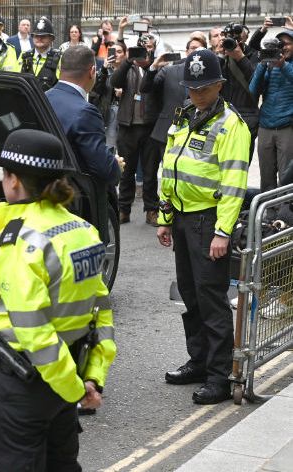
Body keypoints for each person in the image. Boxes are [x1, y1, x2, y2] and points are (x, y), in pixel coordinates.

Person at [0, 128, 116, 471]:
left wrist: (72, 388)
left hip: (26, 381)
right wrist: (90, 378)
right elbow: (102, 310)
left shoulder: (20, 239)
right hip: (69, 369)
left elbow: (32, 329)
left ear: (13, 181)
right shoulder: (81, 230)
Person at [158, 49, 250, 405]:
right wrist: (165, 217)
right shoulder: (184, 116)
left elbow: (233, 185)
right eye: (192, 88)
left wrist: (222, 232)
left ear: (219, 86)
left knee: (211, 299)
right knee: (190, 294)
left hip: (208, 219)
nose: (196, 94)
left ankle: (219, 375)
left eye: (203, 88)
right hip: (181, 216)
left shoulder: (232, 126)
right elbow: (169, 168)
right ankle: (198, 362)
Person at [138, 37, 207, 224]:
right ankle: (153, 209)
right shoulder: (169, 71)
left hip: (193, 131)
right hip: (165, 130)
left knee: (182, 174)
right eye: (192, 48)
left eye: (199, 50)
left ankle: (179, 210)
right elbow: (145, 88)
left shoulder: (208, 78)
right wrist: (153, 67)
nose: (194, 52)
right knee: (156, 173)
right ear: (186, 51)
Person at [46, 45, 121, 185]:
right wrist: (116, 165)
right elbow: (105, 169)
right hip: (73, 194)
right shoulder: (86, 112)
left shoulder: (43, 98)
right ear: (92, 72)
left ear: (60, 69)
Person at [109, 32, 160, 225]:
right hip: (128, 127)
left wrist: (153, 63)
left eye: (148, 48)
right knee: (127, 171)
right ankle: (124, 209)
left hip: (149, 127)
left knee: (150, 172)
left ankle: (151, 210)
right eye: (142, 48)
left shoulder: (156, 68)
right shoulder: (127, 68)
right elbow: (114, 82)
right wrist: (129, 61)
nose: (144, 52)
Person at [249, 29, 293, 193]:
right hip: (265, 126)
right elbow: (252, 91)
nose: (283, 47)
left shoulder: (286, 66)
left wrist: (283, 66)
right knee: (266, 176)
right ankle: (267, 211)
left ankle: (285, 213)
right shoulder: (268, 66)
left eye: (287, 43)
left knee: (286, 176)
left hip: (287, 128)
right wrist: (262, 63)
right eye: (279, 44)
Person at [216, 23, 258, 160]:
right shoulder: (220, 57)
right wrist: (220, 56)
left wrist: (240, 57)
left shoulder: (254, 54)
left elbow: (257, 82)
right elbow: (212, 82)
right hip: (222, 115)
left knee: (241, 161)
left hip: (246, 117)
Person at [89, 41, 125, 152]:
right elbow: (95, 91)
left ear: (125, 54)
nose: (116, 55)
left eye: (119, 52)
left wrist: (124, 93)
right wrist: (104, 69)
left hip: (125, 113)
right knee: (109, 145)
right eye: (114, 52)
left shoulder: (131, 72)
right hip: (108, 113)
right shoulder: (104, 71)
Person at [19, 16, 61, 91]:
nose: (39, 38)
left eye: (43, 36)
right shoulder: (24, 56)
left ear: (51, 38)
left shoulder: (59, 58)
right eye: (36, 36)